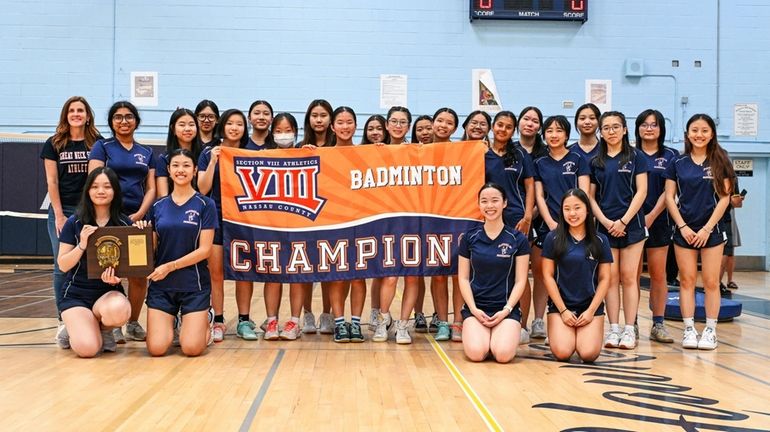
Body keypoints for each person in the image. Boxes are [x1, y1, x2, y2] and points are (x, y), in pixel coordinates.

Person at [664, 114, 734, 350]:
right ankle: (689, 329)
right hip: (684, 231)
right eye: (694, 130)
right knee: (687, 280)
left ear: (712, 133)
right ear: (687, 134)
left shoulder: (721, 161)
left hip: (711, 232)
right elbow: (669, 198)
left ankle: (711, 330)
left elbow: (725, 199)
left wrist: (706, 229)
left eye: (704, 130)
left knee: (712, 282)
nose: (699, 135)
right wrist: (683, 226)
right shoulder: (678, 163)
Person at [88, 101, 155, 343]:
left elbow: (151, 189)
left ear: (136, 121)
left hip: (137, 221)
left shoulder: (146, 152)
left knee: (139, 274)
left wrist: (139, 214)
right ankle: (112, 324)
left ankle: (134, 322)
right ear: (111, 122)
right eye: (118, 117)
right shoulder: (102, 147)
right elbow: (94, 181)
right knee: (110, 271)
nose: (124, 121)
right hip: (109, 221)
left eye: (129, 117)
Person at [139, 149, 217, 356]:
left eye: (186, 166)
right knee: (156, 349)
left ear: (194, 171)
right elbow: (151, 248)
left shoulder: (205, 205)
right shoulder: (157, 206)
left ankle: (203, 321)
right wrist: (139, 236)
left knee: (191, 349)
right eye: (175, 165)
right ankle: (172, 321)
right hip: (162, 285)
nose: (180, 170)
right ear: (168, 170)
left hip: (194, 284)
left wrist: (171, 266)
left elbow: (205, 250)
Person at [41, 96, 102, 348]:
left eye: (81, 110)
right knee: (62, 265)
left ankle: (97, 320)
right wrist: (59, 215)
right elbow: (52, 182)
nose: (76, 114)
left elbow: (97, 179)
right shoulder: (53, 144)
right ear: (65, 115)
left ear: (88, 116)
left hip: (89, 210)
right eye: (72, 110)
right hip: (63, 210)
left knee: (95, 263)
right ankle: (63, 320)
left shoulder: (97, 143)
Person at [57, 167, 132, 357]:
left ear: (115, 191)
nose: (101, 191)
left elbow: (132, 267)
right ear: (88, 191)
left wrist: (118, 278)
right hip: (77, 295)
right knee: (88, 350)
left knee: (120, 310)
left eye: (107, 186)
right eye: (95, 186)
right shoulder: (74, 222)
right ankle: (73, 327)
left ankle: (104, 329)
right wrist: (82, 245)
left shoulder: (124, 224)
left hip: (107, 295)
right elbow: (63, 265)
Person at [589, 111, 648, 349]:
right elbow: (590, 197)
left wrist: (623, 221)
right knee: (610, 279)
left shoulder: (637, 157)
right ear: (600, 132)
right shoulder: (595, 161)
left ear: (624, 130)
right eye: (606, 128)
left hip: (631, 225)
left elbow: (642, 191)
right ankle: (613, 329)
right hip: (605, 228)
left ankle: (629, 328)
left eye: (616, 127)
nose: (611, 131)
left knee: (629, 277)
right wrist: (605, 222)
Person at [532, 115, 590, 343]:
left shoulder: (577, 159)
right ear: (544, 135)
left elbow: (583, 194)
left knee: (567, 274)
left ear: (567, 135)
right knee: (542, 274)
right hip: (549, 227)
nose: (553, 135)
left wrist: (571, 223)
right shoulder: (539, 162)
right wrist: (552, 225)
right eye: (549, 131)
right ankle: (539, 320)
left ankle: (569, 317)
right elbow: (539, 195)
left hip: (575, 225)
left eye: (559, 131)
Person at [458, 183, 530, 363]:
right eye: (484, 201)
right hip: (477, 310)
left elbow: (521, 281)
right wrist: (474, 309)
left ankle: (504, 335)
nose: (490, 206)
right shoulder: (469, 238)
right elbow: (463, 278)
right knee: (475, 354)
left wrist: (507, 310)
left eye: (495, 200)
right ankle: (485, 337)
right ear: (479, 205)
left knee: (503, 355)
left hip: (505, 309)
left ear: (504, 203)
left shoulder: (518, 239)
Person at [542, 189, 612, 362]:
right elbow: (547, 276)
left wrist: (590, 311)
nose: (572, 213)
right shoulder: (553, 238)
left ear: (587, 210)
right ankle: (564, 331)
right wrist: (563, 311)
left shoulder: (600, 240)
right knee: (562, 352)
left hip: (589, 308)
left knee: (588, 354)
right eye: (567, 209)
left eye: (577, 208)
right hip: (561, 308)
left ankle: (583, 333)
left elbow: (605, 279)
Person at [197, 108, 249, 341]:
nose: (235, 127)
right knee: (215, 272)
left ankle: (244, 320)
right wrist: (212, 162)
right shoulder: (209, 152)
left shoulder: (252, 153)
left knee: (244, 273)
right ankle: (218, 319)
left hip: (245, 219)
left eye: (239, 124)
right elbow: (203, 188)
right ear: (223, 126)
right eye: (230, 123)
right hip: (216, 218)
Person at [484, 110, 535, 343]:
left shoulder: (521, 155)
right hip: (489, 220)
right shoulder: (482, 155)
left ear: (513, 131)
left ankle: (522, 324)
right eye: (499, 125)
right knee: (490, 272)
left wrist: (527, 217)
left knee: (520, 275)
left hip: (517, 220)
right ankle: (489, 318)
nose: (503, 130)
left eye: (508, 127)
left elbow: (530, 187)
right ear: (493, 127)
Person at [320, 106, 367, 343]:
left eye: (349, 122)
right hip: (333, 223)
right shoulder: (323, 154)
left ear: (355, 126)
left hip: (364, 222)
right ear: (332, 127)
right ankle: (339, 322)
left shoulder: (368, 154)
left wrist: (384, 152)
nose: (345, 126)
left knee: (359, 276)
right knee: (337, 275)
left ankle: (356, 323)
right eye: (340, 122)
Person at [635, 109, 678, 343]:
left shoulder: (671, 155)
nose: (649, 128)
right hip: (631, 222)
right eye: (644, 124)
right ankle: (630, 324)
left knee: (658, 274)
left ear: (661, 129)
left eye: (654, 125)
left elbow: (669, 192)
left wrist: (651, 216)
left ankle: (658, 324)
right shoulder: (629, 154)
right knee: (630, 276)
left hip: (659, 222)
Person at [298, 99, 335, 334]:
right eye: (315, 115)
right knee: (306, 270)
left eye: (323, 115)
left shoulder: (340, 146)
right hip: (306, 216)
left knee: (330, 269)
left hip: (334, 216)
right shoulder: (300, 146)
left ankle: (328, 314)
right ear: (309, 119)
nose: (319, 119)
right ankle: (308, 314)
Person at [269, 113, 304, 340]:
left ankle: (294, 321)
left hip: (300, 223)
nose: (284, 134)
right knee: (272, 273)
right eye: (279, 130)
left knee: (296, 274)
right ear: (273, 133)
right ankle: (271, 321)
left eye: (288, 129)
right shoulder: (264, 156)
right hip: (270, 223)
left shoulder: (304, 154)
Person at [516, 106, 549, 341]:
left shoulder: (546, 154)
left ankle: (538, 319)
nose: (530, 123)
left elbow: (545, 190)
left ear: (540, 127)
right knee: (515, 271)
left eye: (535, 120)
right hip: (516, 220)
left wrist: (532, 214)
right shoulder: (510, 149)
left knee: (539, 271)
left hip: (540, 218)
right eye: (526, 119)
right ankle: (517, 320)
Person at [429, 107, 460, 341]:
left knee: (459, 274)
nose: (443, 125)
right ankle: (441, 321)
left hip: (457, 217)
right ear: (432, 123)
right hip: (429, 219)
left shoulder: (462, 151)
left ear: (455, 128)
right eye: (439, 120)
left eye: (448, 123)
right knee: (438, 275)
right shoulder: (418, 151)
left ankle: (458, 322)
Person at [156, 108, 201, 198]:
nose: (187, 129)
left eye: (191, 125)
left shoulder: (204, 155)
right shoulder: (164, 158)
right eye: (182, 125)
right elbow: (162, 195)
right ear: (173, 129)